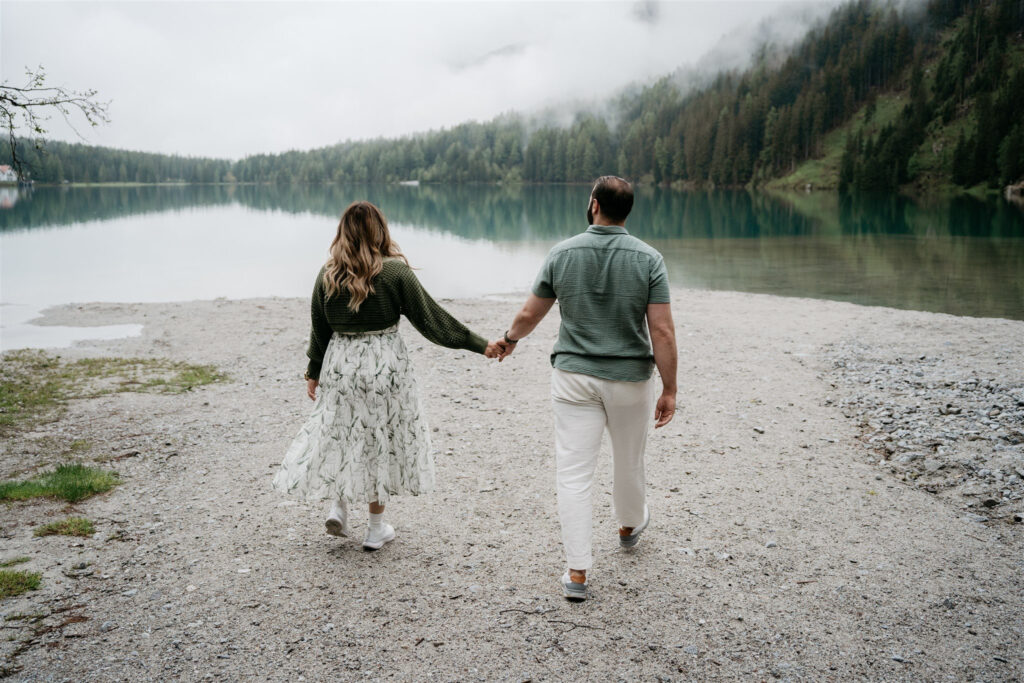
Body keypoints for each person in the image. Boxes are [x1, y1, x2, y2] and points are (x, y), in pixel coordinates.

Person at [273, 201, 499, 550]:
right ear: (380, 230)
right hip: (385, 366)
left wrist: (313, 372)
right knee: (379, 441)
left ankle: (338, 507)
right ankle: (375, 529)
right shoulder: (395, 273)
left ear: (343, 232)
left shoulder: (328, 274)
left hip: (342, 364)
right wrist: (480, 345)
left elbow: (319, 330)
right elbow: (432, 320)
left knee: (340, 432)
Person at [492, 176, 678, 600]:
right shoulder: (649, 258)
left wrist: (509, 339)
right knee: (629, 460)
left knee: (574, 473)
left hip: (574, 378)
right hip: (630, 380)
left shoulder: (562, 253)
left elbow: (530, 313)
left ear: (594, 204)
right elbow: (662, 331)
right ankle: (629, 526)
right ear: (627, 210)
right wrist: (669, 389)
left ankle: (577, 572)